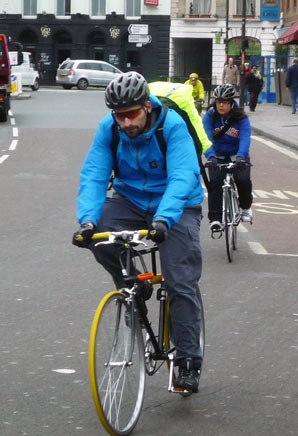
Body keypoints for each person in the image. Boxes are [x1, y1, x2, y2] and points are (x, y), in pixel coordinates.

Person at [72, 72, 204, 393]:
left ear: (147, 105)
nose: (126, 122)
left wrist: (164, 219)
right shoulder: (110, 129)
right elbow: (94, 173)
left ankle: (188, 360)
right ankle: (131, 286)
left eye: (132, 114)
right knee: (100, 233)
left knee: (179, 282)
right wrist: (87, 222)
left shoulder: (172, 127)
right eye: (120, 115)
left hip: (177, 205)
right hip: (130, 200)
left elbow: (184, 176)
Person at [202, 84, 253, 232]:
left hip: (237, 156)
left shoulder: (241, 117)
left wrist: (241, 157)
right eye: (218, 102)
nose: (221, 105)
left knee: (243, 180)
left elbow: (245, 138)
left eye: (224, 102)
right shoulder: (210, 117)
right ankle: (215, 219)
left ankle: (245, 208)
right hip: (217, 156)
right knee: (215, 184)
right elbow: (206, 138)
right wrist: (210, 157)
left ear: (231, 103)